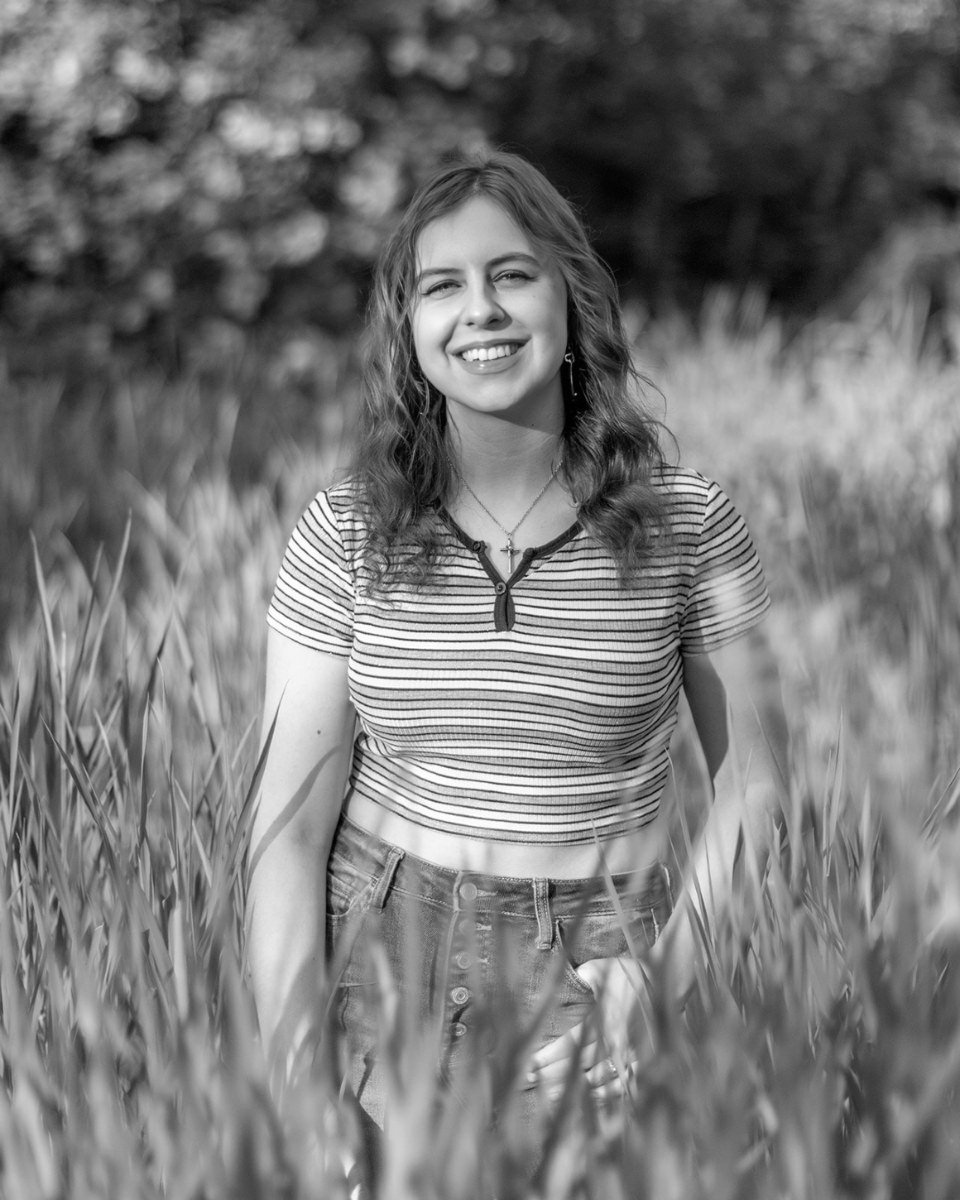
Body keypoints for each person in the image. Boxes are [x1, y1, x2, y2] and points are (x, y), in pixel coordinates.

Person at [246, 150, 788, 1182]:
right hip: (380, 958)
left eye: (513, 274)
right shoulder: (345, 529)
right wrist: (295, 1070)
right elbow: (285, 826)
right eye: (442, 287)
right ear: (409, 333)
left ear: (571, 300)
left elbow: (758, 783)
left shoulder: (688, 524)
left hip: (594, 960)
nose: (481, 310)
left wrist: (659, 987)